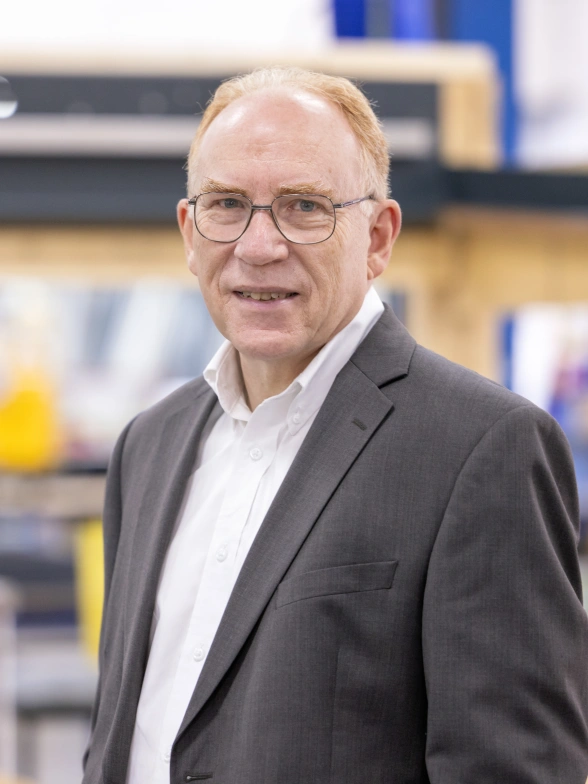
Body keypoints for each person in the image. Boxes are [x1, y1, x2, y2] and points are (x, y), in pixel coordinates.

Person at [83, 67, 588, 784]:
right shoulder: (149, 447)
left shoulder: (482, 450)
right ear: (190, 233)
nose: (259, 246)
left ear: (378, 237)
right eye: (226, 205)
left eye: (304, 207)